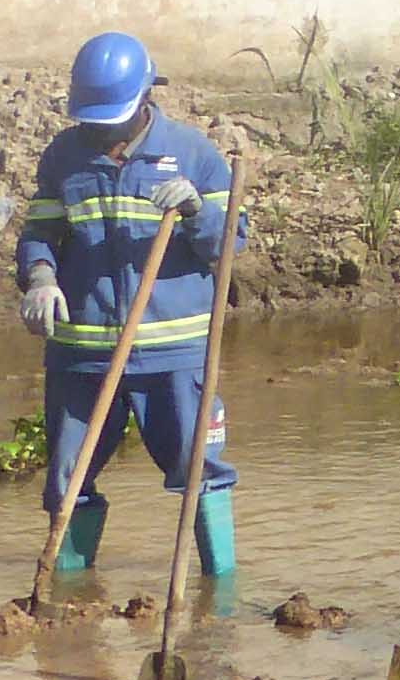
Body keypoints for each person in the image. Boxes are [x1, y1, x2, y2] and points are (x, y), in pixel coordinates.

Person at [16, 28, 241, 575]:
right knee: (69, 478)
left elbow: (231, 243)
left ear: (144, 98)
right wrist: (40, 277)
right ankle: (66, 591)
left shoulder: (192, 153)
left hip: (174, 352)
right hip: (84, 355)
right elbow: (40, 233)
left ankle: (219, 591)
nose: (103, 132)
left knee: (197, 471)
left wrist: (198, 213)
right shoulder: (63, 158)